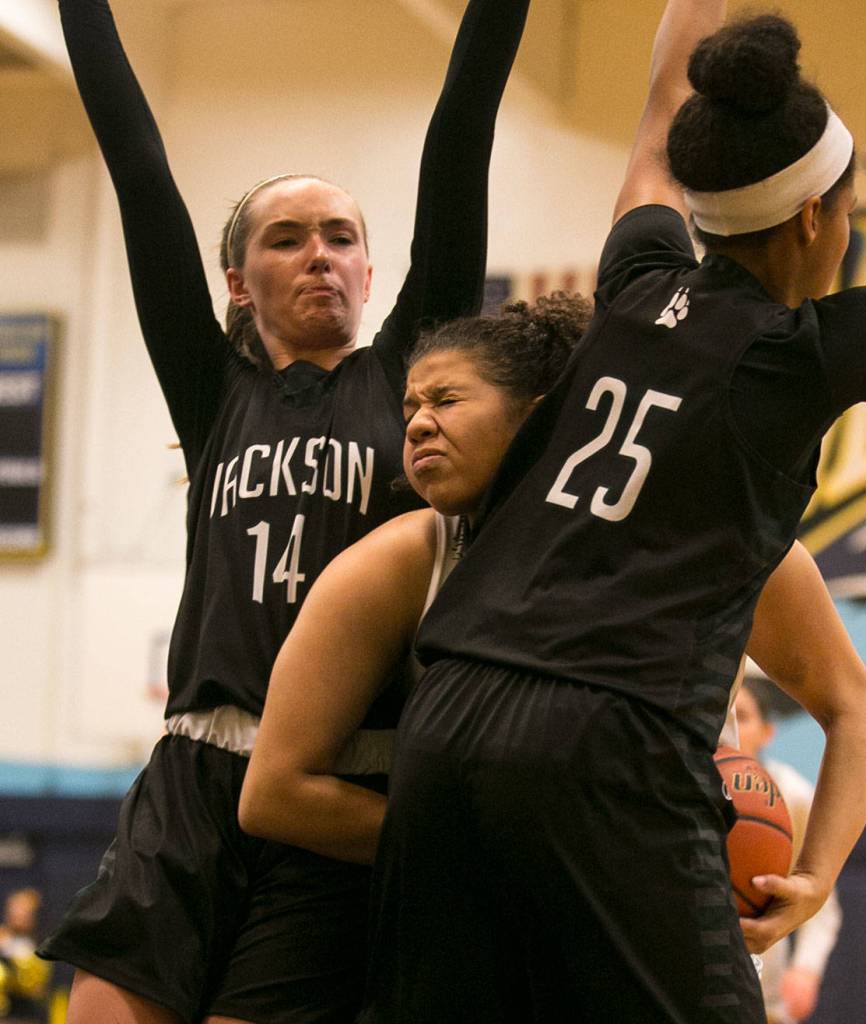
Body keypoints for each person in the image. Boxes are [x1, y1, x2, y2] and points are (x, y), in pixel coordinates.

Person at [361, 0, 866, 1019]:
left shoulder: (635, 278)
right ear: (812, 218)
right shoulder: (796, 359)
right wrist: (821, 874)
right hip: (610, 739)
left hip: (450, 716)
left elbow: (662, 110)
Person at [38, 1, 531, 1022]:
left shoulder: (406, 376)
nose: (319, 254)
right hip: (190, 774)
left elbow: (461, 132)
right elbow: (136, 166)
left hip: (337, 789)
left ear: (370, 267)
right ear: (236, 279)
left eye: (340, 237)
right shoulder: (214, 389)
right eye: (288, 238)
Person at [239, 301, 866, 888]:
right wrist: (504, 849)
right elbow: (273, 792)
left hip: (660, 890)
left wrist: (817, 875)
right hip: (481, 907)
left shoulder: (715, 534)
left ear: (546, 416)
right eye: (408, 408)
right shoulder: (401, 560)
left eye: (446, 399)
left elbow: (854, 707)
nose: (416, 426)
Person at [735, 679, 842, 1024]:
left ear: (767, 732)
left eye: (743, 717)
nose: (731, 729)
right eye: (725, 717)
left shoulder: (790, 794)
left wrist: (806, 969)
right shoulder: (678, 788)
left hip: (763, 997)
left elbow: (820, 896)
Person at [0, 889, 51, 1024]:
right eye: (15, 910)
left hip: (27, 1016)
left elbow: (35, 986)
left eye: (25, 912)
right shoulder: (3, 938)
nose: (19, 915)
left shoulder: (39, 946)